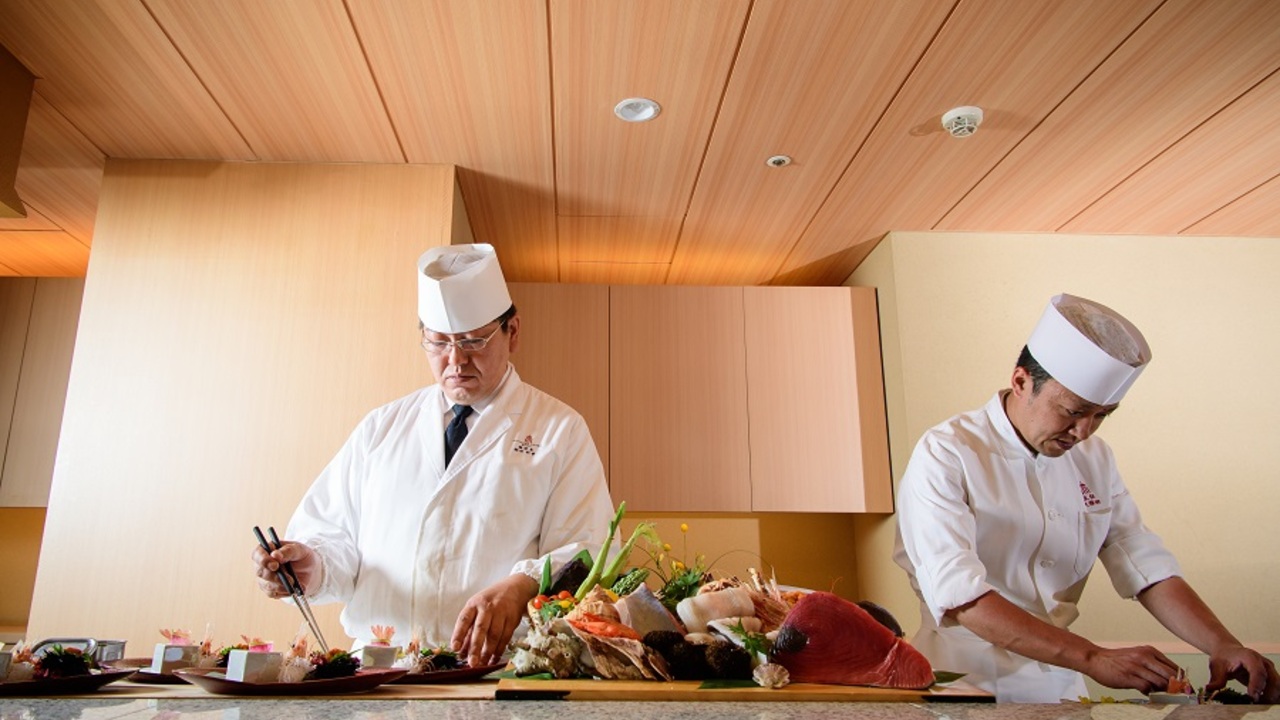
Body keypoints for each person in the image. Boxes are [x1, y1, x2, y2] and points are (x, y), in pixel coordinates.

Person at [894, 293, 1279, 703]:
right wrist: (1093, 658)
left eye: (1101, 415)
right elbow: (960, 596)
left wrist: (1222, 644)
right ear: (1022, 382)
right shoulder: (946, 451)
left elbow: (1142, 561)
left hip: (1060, 685)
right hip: (963, 685)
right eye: (1072, 412)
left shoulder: (1094, 458)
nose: (1084, 432)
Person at [252, 243, 615, 667]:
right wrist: (308, 565)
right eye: (438, 343)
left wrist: (521, 586)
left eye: (474, 341)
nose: (455, 360)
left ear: (512, 332)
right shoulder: (381, 427)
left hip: (496, 669)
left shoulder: (559, 429)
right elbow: (335, 540)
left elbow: (587, 549)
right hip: (379, 670)